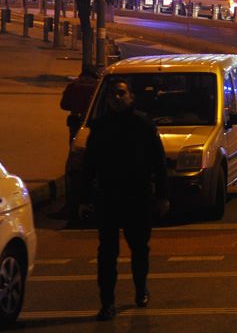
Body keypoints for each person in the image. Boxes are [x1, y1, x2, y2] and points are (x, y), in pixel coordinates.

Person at [83, 78, 168, 321]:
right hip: (108, 197)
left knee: (139, 248)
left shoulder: (143, 125)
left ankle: (140, 288)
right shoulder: (100, 127)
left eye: (121, 94)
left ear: (131, 96)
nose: (117, 98)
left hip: (137, 196)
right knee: (107, 253)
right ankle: (107, 302)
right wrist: (84, 198)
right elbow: (90, 164)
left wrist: (163, 195)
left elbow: (158, 162)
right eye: (113, 95)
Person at [60, 64, 100, 142]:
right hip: (94, 122)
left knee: (75, 144)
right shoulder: (98, 88)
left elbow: (64, 105)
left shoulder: (72, 86)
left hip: (75, 122)